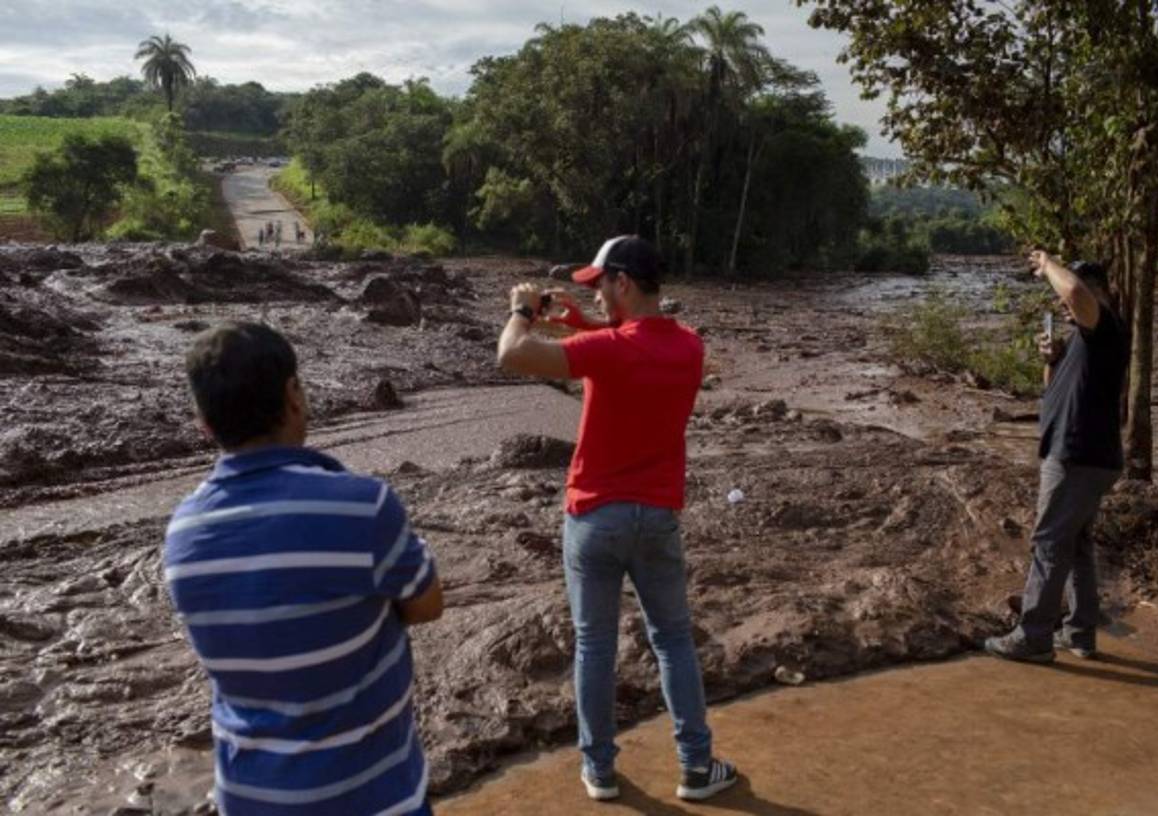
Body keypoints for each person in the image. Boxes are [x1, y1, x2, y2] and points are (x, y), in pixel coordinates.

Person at [164, 322, 442, 815]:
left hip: (250, 797)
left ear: (203, 422)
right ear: (294, 395)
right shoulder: (363, 505)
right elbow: (427, 604)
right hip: (374, 797)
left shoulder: (182, 532)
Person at [496, 235, 738, 802]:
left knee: (595, 646)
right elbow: (632, 346)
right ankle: (697, 768)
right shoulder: (690, 347)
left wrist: (522, 312)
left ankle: (600, 771)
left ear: (623, 282)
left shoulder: (610, 350)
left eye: (601, 285)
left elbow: (511, 354)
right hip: (656, 516)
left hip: (594, 517)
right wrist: (582, 322)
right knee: (674, 641)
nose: (598, 296)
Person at [986, 251, 1130, 663]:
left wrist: (1048, 262)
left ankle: (1033, 637)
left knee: (1048, 541)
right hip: (1084, 454)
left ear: (1099, 294)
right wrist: (1051, 361)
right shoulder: (1085, 341)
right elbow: (1055, 393)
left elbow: (1074, 289)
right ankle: (1080, 633)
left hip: (1077, 456)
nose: (1066, 306)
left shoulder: (1105, 327)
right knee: (1077, 544)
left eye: (1072, 300)